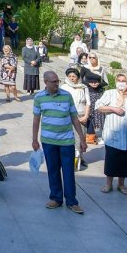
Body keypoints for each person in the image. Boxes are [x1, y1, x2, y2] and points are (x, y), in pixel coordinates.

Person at [32, 70, 89, 214]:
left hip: (66, 141)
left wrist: (82, 139)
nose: (56, 84)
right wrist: (34, 139)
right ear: (45, 82)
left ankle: (72, 201)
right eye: (53, 82)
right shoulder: (39, 98)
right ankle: (56, 198)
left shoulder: (66, 96)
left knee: (69, 171)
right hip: (48, 140)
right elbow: (36, 120)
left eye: (57, 81)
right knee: (53, 169)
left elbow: (75, 118)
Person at [96, 71, 127, 195]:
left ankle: (121, 185)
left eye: (124, 81)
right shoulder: (109, 94)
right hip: (113, 134)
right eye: (119, 81)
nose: (121, 83)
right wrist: (113, 108)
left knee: (126, 161)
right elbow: (98, 106)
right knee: (112, 159)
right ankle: (108, 183)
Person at [62, 68, 90, 167]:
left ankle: (80, 158)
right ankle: (69, 159)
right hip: (68, 116)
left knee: (81, 137)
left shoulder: (83, 87)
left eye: (74, 76)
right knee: (70, 138)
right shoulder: (64, 87)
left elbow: (88, 103)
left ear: (78, 77)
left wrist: (86, 115)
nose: (72, 78)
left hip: (81, 115)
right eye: (69, 76)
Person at [83, 70, 107, 147]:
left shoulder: (101, 90)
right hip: (89, 108)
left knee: (101, 122)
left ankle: (101, 137)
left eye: (96, 82)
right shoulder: (85, 89)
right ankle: (90, 137)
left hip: (99, 109)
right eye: (91, 82)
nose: (94, 84)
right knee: (89, 122)